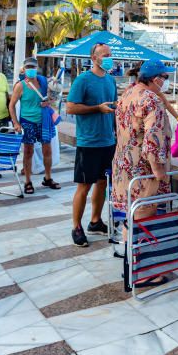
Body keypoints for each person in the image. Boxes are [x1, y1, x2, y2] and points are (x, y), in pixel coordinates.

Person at [110, 59, 175, 286]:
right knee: (144, 218)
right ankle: (142, 273)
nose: (166, 82)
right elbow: (152, 142)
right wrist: (160, 174)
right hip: (143, 171)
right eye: (165, 78)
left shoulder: (128, 94)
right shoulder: (151, 100)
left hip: (123, 167)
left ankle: (131, 265)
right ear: (156, 79)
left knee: (131, 217)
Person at [66, 43, 117, 247]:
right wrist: (97, 108)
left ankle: (95, 221)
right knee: (84, 186)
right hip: (89, 142)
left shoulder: (111, 80)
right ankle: (76, 227)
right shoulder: (83, 80)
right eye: (105, 55)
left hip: (108, 141)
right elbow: (70, 107)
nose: (109, 58)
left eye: (110, 55)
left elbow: (112, 109)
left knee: (103, 182)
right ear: (94, 58)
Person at [10, 58, 60, 193]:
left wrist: (49, 101)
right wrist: (15, 122)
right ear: (24, 69)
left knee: (47, 151)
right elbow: (11, 105)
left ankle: (48, 178)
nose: (31, 69)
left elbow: (53, 97)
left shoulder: (44, 81)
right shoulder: (20, 85)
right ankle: (27, 181)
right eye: (28, 67)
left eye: (33, 66)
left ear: (37, 68)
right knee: (28, 151)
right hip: (28, 122)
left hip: (44, 121)